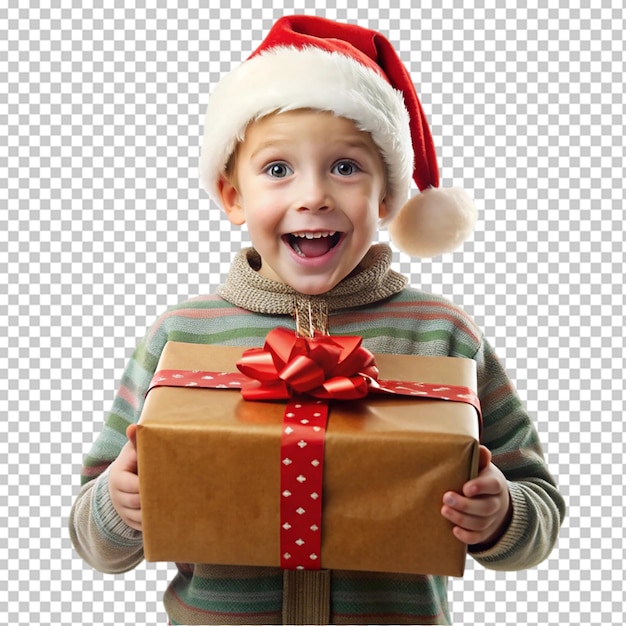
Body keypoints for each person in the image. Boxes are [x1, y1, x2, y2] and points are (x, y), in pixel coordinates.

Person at [69, 15, 565, 625]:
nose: (314, 196)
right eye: (278, 170)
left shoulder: (442, 334)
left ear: (387, 199)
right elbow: (93, 538)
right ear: (232, 196)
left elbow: (539, 506)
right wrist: (118, 507)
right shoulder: (182, 334)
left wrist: (502, 516)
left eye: (346, 167)